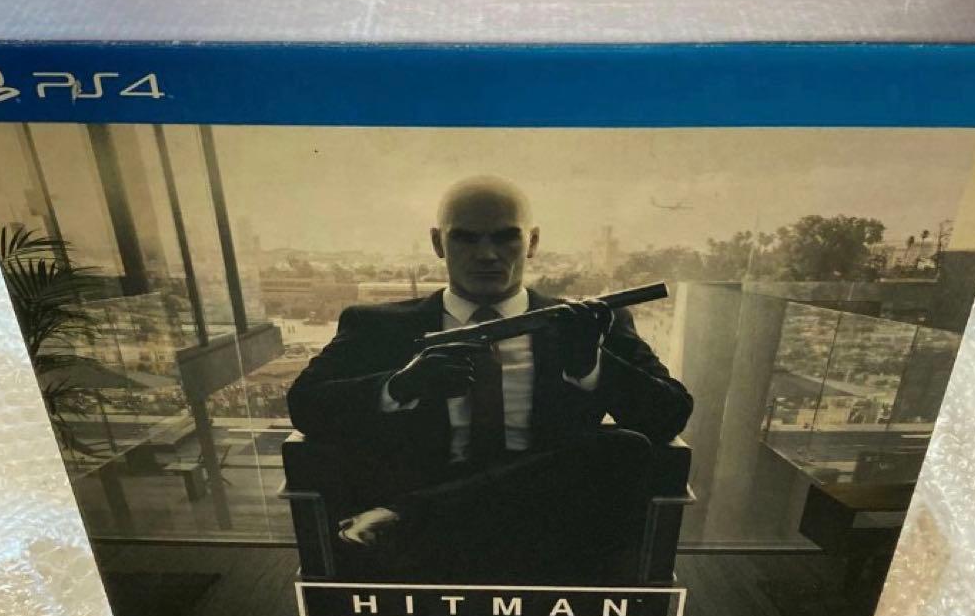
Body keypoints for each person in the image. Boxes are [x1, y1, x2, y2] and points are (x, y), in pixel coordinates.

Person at [286, 176, 692, 584]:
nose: (486, 254)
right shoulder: (376, 326)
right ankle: (411, 514)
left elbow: (670, 415)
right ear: (437, 243)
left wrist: (592, 365)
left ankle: (407, 513)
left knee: (622, 447)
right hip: (425, 550)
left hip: (545, 529)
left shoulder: (592, 322)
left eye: (505, 237)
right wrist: (400, 385)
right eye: (465, 238)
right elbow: (305, 405)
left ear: (532, 242)